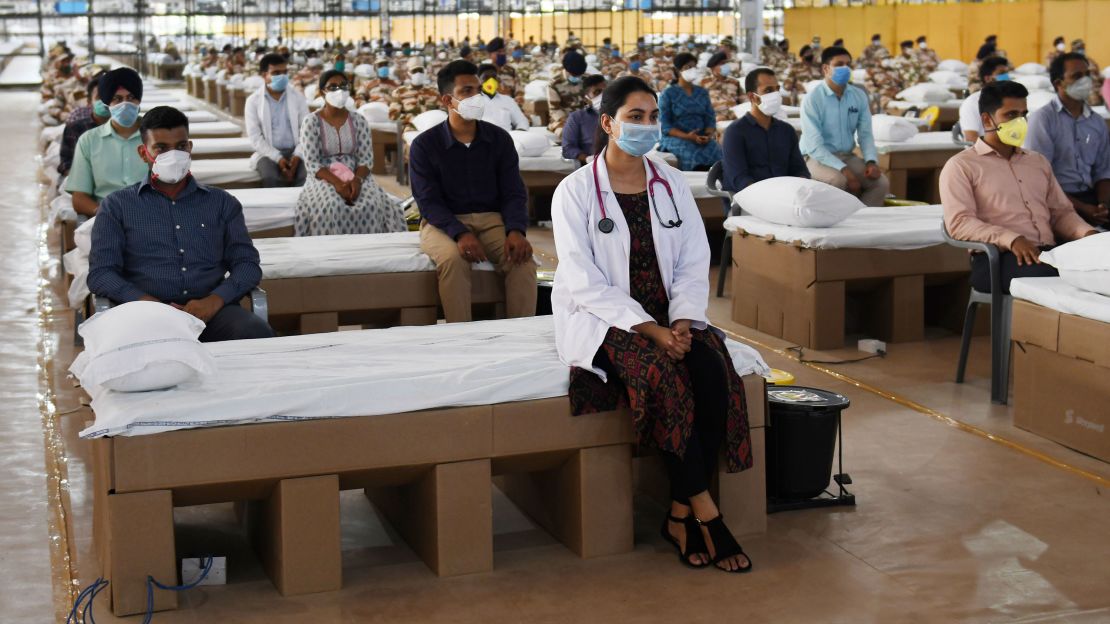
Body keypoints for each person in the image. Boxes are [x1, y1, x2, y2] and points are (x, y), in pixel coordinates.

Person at [549, 76, 754, 574]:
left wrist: (682, 321)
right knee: (661, 376)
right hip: (607, 319)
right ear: (608, 123)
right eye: (633, 117)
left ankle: (679, 513)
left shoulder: (669, 182)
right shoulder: (575, 192)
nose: (645, 127)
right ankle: (706, 510)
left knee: (711, 369)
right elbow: (583, 279)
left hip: (670, 313)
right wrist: (651, 331)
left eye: (651, 117)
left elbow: (691, 259)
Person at [87, 107, 274, 342]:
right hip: (145, 314)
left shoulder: (222, 204)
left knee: (255, 332)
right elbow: (101, 273)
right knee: (129, 352)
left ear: (190, 147)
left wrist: (215, 301)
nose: (173, 155)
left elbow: (247, 265)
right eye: (161, 148)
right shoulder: (118, 206)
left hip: (211, 313)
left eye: (181, 146)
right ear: (143, 153)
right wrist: (145, 302)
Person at [409, 60, 537, 323]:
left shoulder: (499, 139)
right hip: (442, 222)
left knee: (522, 261)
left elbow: (514, 191)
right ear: (447, 99)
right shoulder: (425, 145)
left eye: (478, 90)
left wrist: (516, 230)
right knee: (453, 261)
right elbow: (428, 201)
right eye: (466, 91)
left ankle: (522, 334)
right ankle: (462, 334)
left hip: (491, 219)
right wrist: (460, 233)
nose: (476, 97)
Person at [940, 81, 1098, 294]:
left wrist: (1088, 234)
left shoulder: (1037, 162)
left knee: (1098, 271)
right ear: (987, 119)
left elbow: (1061, 213)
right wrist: (1011, 239)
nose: (1021, 122)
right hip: (997, 258)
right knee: (1065, 281)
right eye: (1011, 115)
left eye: (1024, 114)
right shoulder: (962, 166)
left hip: (1047, 254)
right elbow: (959, 223)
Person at [295, 70, 405, 236]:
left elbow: (366, 159)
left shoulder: (359, 120)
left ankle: (368, 252)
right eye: (332, 87)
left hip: (357, 174)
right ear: (321, 92)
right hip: (324, 176)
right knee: (331, 205)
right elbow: (312, 163)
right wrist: (338, 184)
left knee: (372, 204)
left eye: (343, 86)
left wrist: (357, 181)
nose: (339, 91)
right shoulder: (311, 122)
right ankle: (335, 253)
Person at [1026, 53, 1110, 228]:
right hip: (1055, 200)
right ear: (1058, 83)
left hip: (1090, 195)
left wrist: (1103, 206)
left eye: (1087, 74)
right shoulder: (1043, 119)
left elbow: (1102, 171)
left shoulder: (1096, 122)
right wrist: (1084, 209)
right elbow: (1041, 178)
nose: (1085, 80)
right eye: (1077, 76)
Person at [800, 46, 889, 206]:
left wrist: (871, 161)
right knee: (838, 181)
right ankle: (835, 227)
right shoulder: (813, 99)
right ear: (826, 68)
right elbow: (814, 146)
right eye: (839, 64)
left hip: (846, 155)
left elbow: (865, 134)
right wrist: (844, 170)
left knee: (880, 183)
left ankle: (862, 222)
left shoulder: (858, 96)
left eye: (848, 64)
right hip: (815, 157)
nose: (845, 68)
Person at [66, 68, 149, 217]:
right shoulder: (89, 141)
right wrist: (107, 215)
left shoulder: (155, 136)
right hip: (106, 217)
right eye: (117, 99)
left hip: (151, 215)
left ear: (139, 100)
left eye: (131, 97)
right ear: (107, 103)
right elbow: (79, 198)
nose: (125, 104)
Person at [721, 68, 809, 193]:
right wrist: (767, 199)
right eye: (768, 90)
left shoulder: (786, 131)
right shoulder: (735, 133)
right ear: (752, 97)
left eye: (777, 89)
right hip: (751, 198)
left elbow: (799, 169)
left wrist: (802, 186)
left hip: (785, 196)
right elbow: (740, 179)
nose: (775, 95)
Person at [246, 53, 309, 188]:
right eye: (276, 72)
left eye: (285, 72)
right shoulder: (253, 101)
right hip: (267, 152)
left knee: (306, 176)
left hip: (297, 150)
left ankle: (302, 208)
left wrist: (297, 155)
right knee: (271, 178)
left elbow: (306, 131)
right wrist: (278, 158)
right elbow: (255, 138)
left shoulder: (298, 97)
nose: (282, 76)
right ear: (264, 75)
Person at [658, 52, 721, 171]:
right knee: (691, 152)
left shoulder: (702, 92)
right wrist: (688, 136)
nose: (692, 70)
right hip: (676, 137)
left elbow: (710, 118)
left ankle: (716, 184)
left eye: (694, 67)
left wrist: (707, 135)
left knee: (715, 148)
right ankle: (694, 187)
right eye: (688, 67)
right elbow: (665, 125)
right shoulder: (668, 94)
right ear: (678, 71)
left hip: (701, 136)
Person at [58, 73, 107, 176]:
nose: (104, 101)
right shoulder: (75, 128)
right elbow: (66, 164)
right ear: (89, 102)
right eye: (99, 97)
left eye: (109, 97)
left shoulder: (125, 129)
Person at [959, 57, 1011, 143]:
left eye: (1007, 73)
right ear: (988, 79)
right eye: (1002, 73)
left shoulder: (1010, 101)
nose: (1007, 77)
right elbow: (971, 138)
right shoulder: (972, 103)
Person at [562, 74, 606, 164]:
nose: (604, 95)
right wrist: (588, 159)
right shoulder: (577, 118)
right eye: (597, 92)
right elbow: (567, 148)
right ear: (586, 99)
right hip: (591, 166)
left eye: (607, 91)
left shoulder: (621, 116)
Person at [476, 63, 529, 133]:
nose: (491, 81)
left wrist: (518, 134)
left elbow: (521, 121)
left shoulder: (508, 100)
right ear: (479, 81)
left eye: (493, 77)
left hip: (508, 139)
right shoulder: (473, 101)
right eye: (486, 78)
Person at [547, 51, 589, 138]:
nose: (577, 77)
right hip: (563, 121)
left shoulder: (588, 80)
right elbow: (555, 110)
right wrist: (571, 122)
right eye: (574, 75)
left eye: (579, 75)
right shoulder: (555, 84)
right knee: (566, 133)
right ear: (566, 69)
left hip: (587, 118)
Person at [701, 51, 743, 122]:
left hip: (734, 117)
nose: (726, 66)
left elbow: (743, 100)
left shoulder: (734, 82)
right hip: (714, 118)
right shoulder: (704, 82)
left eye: (726, 63)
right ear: (713, 68)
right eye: (722, 64)